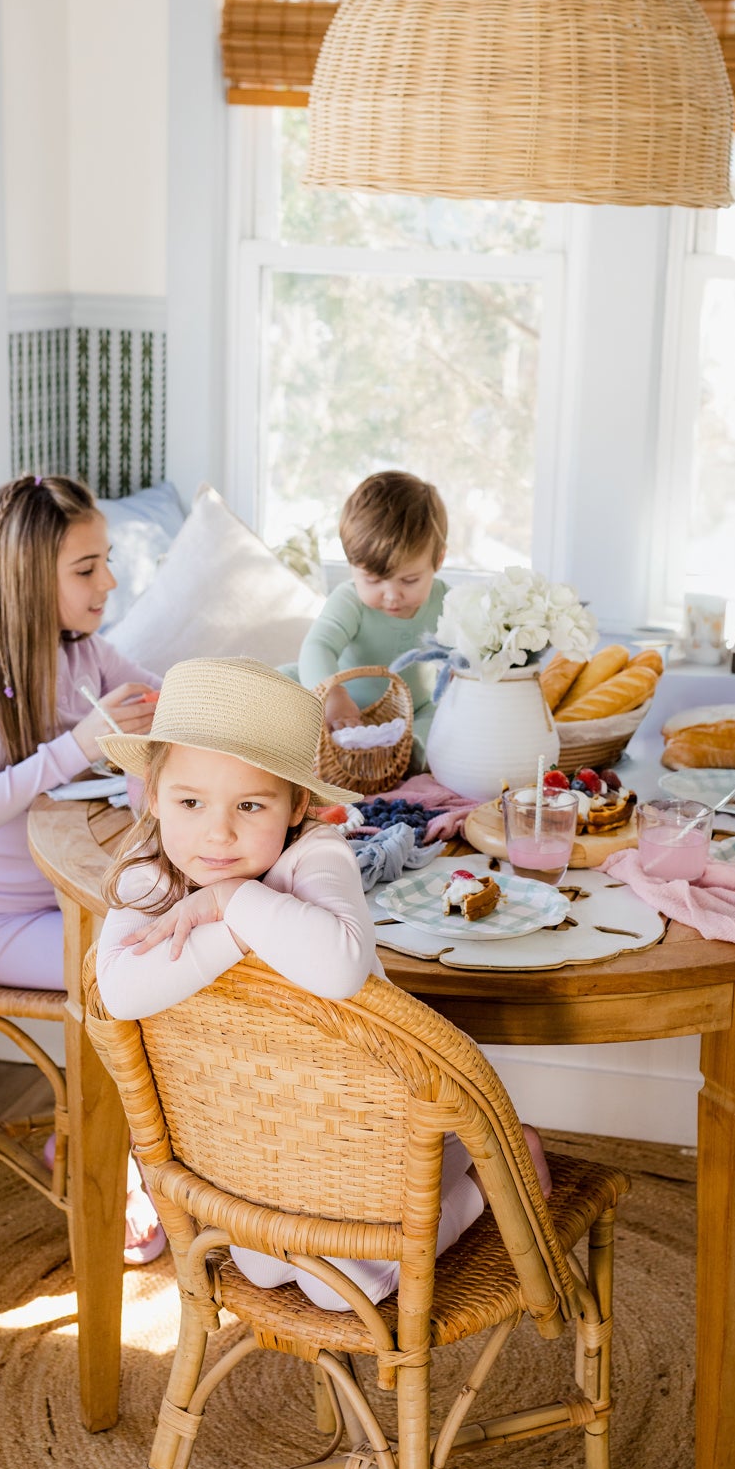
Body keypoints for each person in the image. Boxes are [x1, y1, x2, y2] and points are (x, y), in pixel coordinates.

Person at [96, 656, 551, 1310]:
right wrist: (231, 928)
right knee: (261, 1268)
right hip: (259, 1134)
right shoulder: (149, 874)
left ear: (296, 807)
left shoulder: (317, 855)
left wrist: (233, 901)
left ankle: (485, 1177)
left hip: (376, 1122)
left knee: (343, 1289)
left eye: (250, 804)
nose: (218, 831)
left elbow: (340, 967)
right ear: (153, 796)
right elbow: (119, 992)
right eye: (190, 802)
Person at [0, 473, 165, 1259]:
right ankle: (102, 1155)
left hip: (79, 900)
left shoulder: (84, 653)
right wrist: (77, 746)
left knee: (178, 948)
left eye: (106, 561)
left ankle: (163, 1154)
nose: (109, 582)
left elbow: (164, 696)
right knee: (138, 975)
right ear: (29, 578)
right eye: (87, 568)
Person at [297, 471, 449, 767]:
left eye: (409, 580)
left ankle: (402, 758)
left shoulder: (446, 602)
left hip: (412, 714)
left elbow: (466, 658)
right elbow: (319, 646)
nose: (391, 596)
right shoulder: (349, 600)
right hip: (343, 714)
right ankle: (330, 747)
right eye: (373, 580)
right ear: (351, 564)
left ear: (438, 560)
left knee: (441, 723)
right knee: (285, 681)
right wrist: (333, 696)